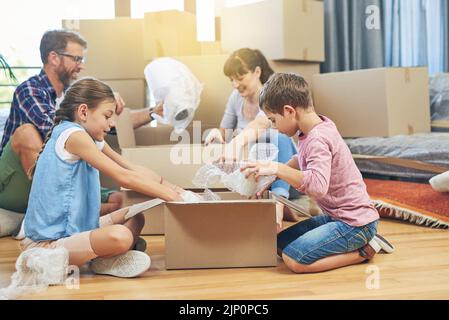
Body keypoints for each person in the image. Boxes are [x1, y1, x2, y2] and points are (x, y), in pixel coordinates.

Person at [20, 77, 196, 278]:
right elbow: (123, 178)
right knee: (120, 236)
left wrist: (176, 189)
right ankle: (99, 255)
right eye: (107, 115)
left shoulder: (90, 138)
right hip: (48, 244)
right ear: (84, 112)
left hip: (78, 231)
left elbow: (131, 167)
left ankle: (102, 258)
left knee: (136, 217)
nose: (112, 123)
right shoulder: (73, 136)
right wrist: (172, 197)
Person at [0, 30, 160, 235]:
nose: (81, 65)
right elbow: (56, 129)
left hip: (64, 179)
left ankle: (93, 228)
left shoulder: (73, 96)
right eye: (76, 58)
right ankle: (44, 217)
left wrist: (154, 112)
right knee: (28, 132)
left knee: (119, 200)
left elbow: (109, 127)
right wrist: (99, 105)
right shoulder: (29, 90)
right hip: (18, 182)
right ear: (54, 58)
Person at [241, 73, 394, 274]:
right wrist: (272, 176)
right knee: (279, 244)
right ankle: (358, 243)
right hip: (336, 216)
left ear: (289, 111)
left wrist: (277, 168)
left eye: (274, 120)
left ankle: (365, 250)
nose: (275, 128)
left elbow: (317, 187)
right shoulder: (313, 128)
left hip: (355, 224)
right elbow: (301, 158)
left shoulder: (318, 139)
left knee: (294, 259)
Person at [204, 48, 298, 220]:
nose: (235, 84)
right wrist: (217, 133)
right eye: (231, 79)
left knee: (276, 137)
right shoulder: (235, 98)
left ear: (257, 72)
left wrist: (236, 143)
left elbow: (261, 124)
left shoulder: (271, 96)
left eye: (240, 78)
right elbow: (225, 129)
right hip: (252, 176)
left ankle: (279, 201)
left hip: (282, 174)